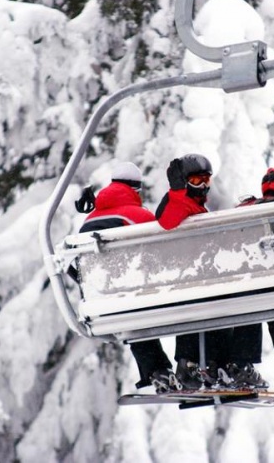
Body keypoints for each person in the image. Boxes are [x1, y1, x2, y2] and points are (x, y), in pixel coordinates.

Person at [155, 154, 268, 390]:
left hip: (197, 281)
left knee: (222, 303)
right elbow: (166, 220)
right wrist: (177, 191)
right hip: (190, 282)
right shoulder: (179, 202)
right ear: (183, 181)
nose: (203, 186)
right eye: (197, 180)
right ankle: (234, 365)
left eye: (207, 180)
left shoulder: (195, 207)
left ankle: (218, 366)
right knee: (246, 300)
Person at [77, 162, 179, 393]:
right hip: (135, 292)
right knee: (137, 306)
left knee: (130, 316)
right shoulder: (138, 215)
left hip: (100, 299)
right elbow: (163, 250)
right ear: (135, 189)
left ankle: (157, 371)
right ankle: (193, 365)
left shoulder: (89, 220)